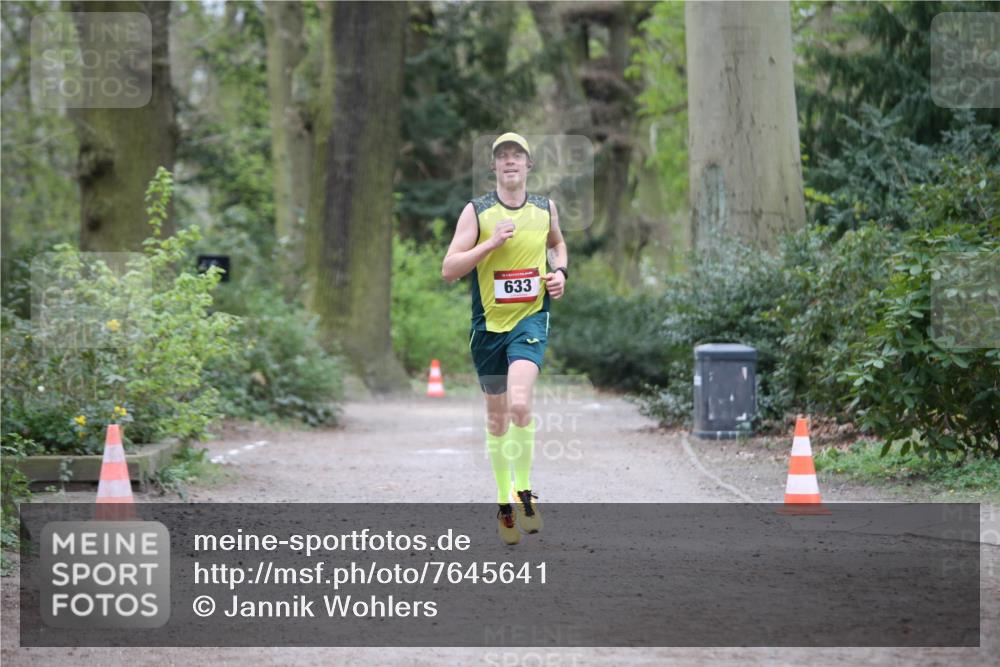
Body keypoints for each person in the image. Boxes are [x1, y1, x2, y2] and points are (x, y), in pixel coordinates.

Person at [442, 132, 568, 545]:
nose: (510, 161)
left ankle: (525, 492)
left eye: (517, 155)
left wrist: (560, 274)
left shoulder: (544, 208)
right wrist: (490, 243)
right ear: (494, 167)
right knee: (496, 419)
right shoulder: (476, 212)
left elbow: (558, 246)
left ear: (529, 165)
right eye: (502, 156)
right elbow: (449, 268)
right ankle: (503, 505)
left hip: (529, 322)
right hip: (487, 330)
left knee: (519, 402)